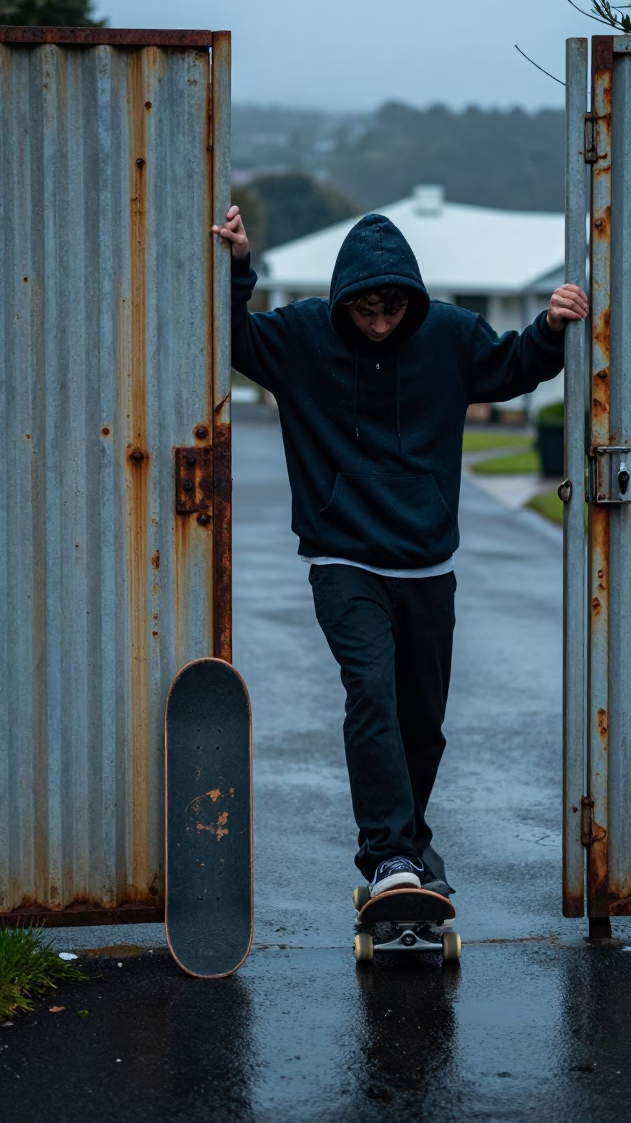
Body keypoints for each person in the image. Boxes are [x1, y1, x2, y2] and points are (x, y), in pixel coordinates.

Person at [216, 204, 588, 899]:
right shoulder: (302, 336)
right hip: (343, 558)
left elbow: (510, 365)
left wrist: (551, 328)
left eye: (392, 309)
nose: (379, 323)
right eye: (365, 311)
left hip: (427, 564)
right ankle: (388, 857)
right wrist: (240, 269)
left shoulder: (446, 334)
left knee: (422, 722)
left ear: (411, 300)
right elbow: (233, 338)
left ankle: (412, 847)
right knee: (373, 700)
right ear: (342, 301)